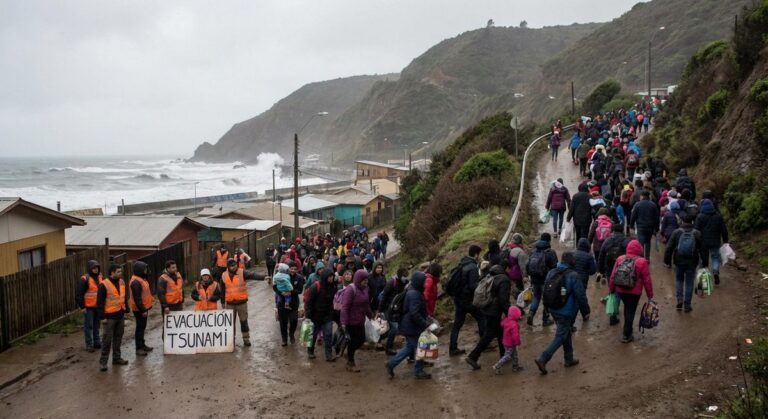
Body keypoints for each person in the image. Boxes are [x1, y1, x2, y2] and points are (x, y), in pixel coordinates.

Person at [534, 252, 590, 375]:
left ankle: (568, 358)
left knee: (566, 332)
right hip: (565, 310)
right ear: (571, 262)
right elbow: (580, 295)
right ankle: (543, 358)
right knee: (560, 336)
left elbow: (546, 290)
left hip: (553, 308)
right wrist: (586, 311)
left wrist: (547, 308)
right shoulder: (573, 275)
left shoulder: (552, 272)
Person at [386, 272, 435, 380]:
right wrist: (425, 324)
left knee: (410, 347)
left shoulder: (413, 290)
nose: (425, 284)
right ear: (419, 282)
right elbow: (415, 313)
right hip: (412, 326)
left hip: (410, 325)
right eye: (424, 282)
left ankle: (392, 364)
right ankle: (418, 371)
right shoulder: (414, 294)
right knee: (419, 348)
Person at [466, 265, 511, 370]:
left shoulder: (491, 276)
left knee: (500, 332)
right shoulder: (504, 280)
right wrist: (510, 313)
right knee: (489, 335)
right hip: (494, 311)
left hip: (486, 308)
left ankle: (504, 354)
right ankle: (473, 356)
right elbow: (503, 300)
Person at [608, 238, 654, 342]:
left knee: (627, 309)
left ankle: (627, 331)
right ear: (640, 249)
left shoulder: (620, 259)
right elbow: (647, 280)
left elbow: (613, 275)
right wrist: (650, 295)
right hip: (634, 292)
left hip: (620, 289)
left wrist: (611, 289)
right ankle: (627, 334)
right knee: (630, 311)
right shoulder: (642, 262)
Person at [221, 258, 270, 347]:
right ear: (228, 267)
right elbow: (222, 290)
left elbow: (252, 275)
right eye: (231, 266)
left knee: (243, 321)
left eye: (235, 264)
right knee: (230, 323)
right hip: (229, 304)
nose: (234, 267)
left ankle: (246, 339)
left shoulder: (242, 272)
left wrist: (263, 277)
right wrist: (222, 302)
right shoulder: (224, 275)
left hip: (241, 303)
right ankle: (231, 339)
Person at [449, 245, 486, 356]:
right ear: (476, 254)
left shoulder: (462, 263)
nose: (479, 257)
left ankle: (453, 348)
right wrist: (482, 283)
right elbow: (472, 286)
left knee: (457, 324)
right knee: (481, 317)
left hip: (459, 299)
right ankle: (484, 344)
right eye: (479, 254)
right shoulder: (472, 267)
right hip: (468, 300)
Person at [664, 214, 704, 312]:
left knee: (679, 280)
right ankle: (687, 305)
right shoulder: (697, 233)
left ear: (682, 221)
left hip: (679, 260)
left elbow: (669, 247)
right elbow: (703, 249)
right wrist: (705, 262)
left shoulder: (676, 232)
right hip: (692, 261)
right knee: (689, 282)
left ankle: (679, 299)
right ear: (692, 222)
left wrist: (667, 260)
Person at [340, 269, 374, 372]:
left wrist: (370, 314)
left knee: (361, 339)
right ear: (359, 279)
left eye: (367, 279)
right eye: (364, 280)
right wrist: (344, 323)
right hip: (351, 321)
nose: (366, 281)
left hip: (360, 320)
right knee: (353, 341)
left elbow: (366, 304)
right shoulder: (351, 289)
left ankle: (349, 353)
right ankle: (350, 362)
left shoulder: (365, 289)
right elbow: (345, 307)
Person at [97, 264, 129, 372]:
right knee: (107, 340)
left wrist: (126, 310)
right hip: (109, 317)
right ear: (112, 272)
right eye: (118, 271)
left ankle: (116, 358)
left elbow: (123, 298)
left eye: (121, 271)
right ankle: (103, 362)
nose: (121, 273)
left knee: (118, 338)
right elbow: (100, 303)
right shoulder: (104, 285)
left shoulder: (122, 282)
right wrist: (102, 317)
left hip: (120, 315)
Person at [526, 234, 559, 327]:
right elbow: (555, 267)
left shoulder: (533, 250)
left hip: (534, 279)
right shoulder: (550, 252)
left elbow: (528, 265)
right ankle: (546, 319)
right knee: (547, 299)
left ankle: (531, 313)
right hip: (546, 280)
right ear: (549, 241)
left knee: (536, 297)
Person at [695, 199, 729, 285]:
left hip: (703, 242)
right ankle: (715, 272)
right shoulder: (718, 216)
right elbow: (723, 229)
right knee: (715, 257)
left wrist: (696, 242)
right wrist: (725, 240)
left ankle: (704, 279)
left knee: (704, 260)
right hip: (715, 241)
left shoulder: (700, 216)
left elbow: (696, 230)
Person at [305, 270, 337, 361]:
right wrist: (308, 316)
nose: (331, 278)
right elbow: (309, 302)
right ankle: (310, 351)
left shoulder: (333, 287)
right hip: (315, 316)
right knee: (313, 335)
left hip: (327, 316)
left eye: (332, 276)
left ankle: (329, 354)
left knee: (328, 335)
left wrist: (332, 314)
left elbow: (333, 302)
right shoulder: (316, 286)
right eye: (329, 277)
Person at [379, 267, 409, 355]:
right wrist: (380, 310)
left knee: (395, 328)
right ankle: (388, 347)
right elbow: (384, 297)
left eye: (406, 276)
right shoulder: (391, 282)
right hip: (388, 309)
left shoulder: (405, 283)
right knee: (394, 328)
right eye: (404, 276)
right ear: (400, 276)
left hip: (398, 309)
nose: (405, 278)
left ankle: (408, 349)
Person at [76, 260, 102, 352]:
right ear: (90, 268)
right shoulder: (85, 279)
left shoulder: (100, 277)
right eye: (94, 268)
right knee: (89, 326)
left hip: (97, 307)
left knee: (97, 325)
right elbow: (79, 294)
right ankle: (89, 345)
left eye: (97, 268)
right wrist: (82, 307)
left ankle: (97, 342)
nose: (95, 269)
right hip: (89, 307)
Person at [129, 261, 154, 356]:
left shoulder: (141, 279)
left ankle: (142, 345)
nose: (146, 271)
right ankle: (138, 348)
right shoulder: (136, 282)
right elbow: (137, 298)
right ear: (140, 270)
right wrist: (143, 310)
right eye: (145, 269)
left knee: (142, 327)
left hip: (143, 308)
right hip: (139, 309)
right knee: (139, 328)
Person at [630, 190, 660, 259]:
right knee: (648, 242)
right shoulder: (653, 205)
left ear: (642, 196)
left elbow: (633, 215)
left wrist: (631, 225)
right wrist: (657, 228)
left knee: (641, 243)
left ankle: (641, 257)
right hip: (650, 227)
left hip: (641, 226)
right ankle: (647, 258)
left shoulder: (638, 204)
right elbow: (656, 217)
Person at [493, 306, 523, 374]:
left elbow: (502, 324)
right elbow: (515, 336)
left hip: (505, 342)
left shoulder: (506, 320)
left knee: (514, 354)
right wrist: (517, 342)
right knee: (508, 356)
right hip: (511, 343)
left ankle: (515, 366)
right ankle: (497, 365)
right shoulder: (514, 325)